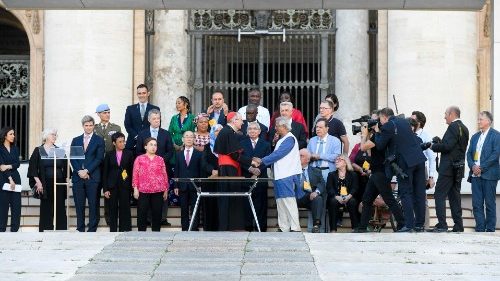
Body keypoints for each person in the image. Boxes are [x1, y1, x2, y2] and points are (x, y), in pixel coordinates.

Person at [375, 107, 426, 232]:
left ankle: (409, 225)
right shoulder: (404, 121)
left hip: (406, 163)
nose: (379, 122)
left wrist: (377, 132)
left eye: (380, 119)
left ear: (384, 117)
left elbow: (380, 146)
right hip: (419, 159)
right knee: (419, 193)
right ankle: (419, 224)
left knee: (405, 192)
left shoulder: (388, 126)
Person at [355, 125, 405, 233]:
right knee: (367, 199)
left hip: (381, 173)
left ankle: (402, 224)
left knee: (389, 200)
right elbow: (369, 153)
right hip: (376, 172)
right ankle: (362, 227)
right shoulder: (378, 137)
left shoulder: (380, 137)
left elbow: (362, 148)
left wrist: (364, 135)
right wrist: (367, 136)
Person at [256, 117, 302, 232]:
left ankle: (295, 227)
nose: (275, 128)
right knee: (280, 202)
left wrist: (262, 160)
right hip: (280, 174)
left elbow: (278, 154)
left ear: (284, 126)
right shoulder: (283, 139)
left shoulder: (290, 138)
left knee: (288, 200)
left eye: (277, 126)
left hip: (287, 174)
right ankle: (284, 226)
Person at [428, 106, 469, 233]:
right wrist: (442, 143)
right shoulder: (464, 128)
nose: (444, 116)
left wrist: (433, 146)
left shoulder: (453, 127)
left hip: (448, 169)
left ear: (452, 114)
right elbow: (455, 147)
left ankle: (442, 224)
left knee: (439, 194)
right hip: (458, 168)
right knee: (454, 197)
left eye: (445, 114)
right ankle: (458, 225)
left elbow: (447, 147)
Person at [214, 112, 255, 231]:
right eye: (240, 120)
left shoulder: (228, 132)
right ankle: (230, 226)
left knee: (229, 197)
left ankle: (229, 226)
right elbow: (235, 155)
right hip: (228, 169)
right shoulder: (228, 132)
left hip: (228, 167)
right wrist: (251, 162)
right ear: (233, 120)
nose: (243, 122)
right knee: (230, 197)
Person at [136, 109, 174, 226]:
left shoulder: (166, 133)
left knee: (162, 195)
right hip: (145, 172)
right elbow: (138, 151)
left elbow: (170, 151)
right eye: (154, 118)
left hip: (161, 169)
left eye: (158, 118)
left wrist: (159, 162)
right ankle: (147, 219)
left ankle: (162, 218)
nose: (157, 121)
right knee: (146, 196)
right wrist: (148, 162)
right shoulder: (142, 134)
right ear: (149, 120)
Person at [27, 128, 68, 231]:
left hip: (59, 182)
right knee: (46, 207)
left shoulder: (59, 150)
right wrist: (38, 182)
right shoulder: (39, 150)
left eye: (55, 135)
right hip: (45, 183)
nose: (55, 136)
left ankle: (60, 229)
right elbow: (32, 167)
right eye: (53, 134)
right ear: (46, 136)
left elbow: (66, 166)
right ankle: (45, 229)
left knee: (60, 207)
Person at [70, 116, 105, 232]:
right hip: (78, 177)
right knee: (79, 204)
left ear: (94, 126)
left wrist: (87, 171)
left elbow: (99, 158)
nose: (89, 127)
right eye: (86, 125)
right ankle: (80, 228)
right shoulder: (76, 140)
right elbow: (73, 158)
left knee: (93, 204)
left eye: (91, 125)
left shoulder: (99, 140)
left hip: (93, 177)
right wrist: (79, 171)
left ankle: (92, 228)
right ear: (83, 126)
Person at [466, 111, 499, 232]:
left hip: (489, 174)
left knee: (489, 203)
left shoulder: (496, 135)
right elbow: (469, 154)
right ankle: (480, 228)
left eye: (481, 119)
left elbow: (495, 155)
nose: (478, 121)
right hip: (475, 175)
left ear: (489, 121)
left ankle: (490, 229)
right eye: (478, 119)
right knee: (477, 203)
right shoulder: (475, 137)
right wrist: (473, 166)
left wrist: (481, 167)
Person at [240, 121, 271, 232]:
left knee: (261, 205)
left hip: (260, 178)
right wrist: (250, 169)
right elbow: (240, 160)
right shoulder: (242, 143)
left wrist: (257, 171)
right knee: (247, 205)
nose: (252, 131)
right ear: (247, 132)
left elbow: (267, 161)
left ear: (259, 131)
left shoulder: (266, 144)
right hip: (246, 178)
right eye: (250, 129)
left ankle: (261, 229)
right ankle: (248, 227)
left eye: (254, 129)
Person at [132, 137, 169, 231]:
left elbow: (164, 174)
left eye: (155, 145)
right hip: (143, 190)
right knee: (142, 213)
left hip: (158, 190)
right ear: (145, 146)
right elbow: (135, 174)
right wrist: (135, 188)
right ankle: (141, 233)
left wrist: (166, 189)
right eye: (151, 145)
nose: (153, 147)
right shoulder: (139, 159)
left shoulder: (160, 159)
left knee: (157, 213)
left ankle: (156, 233)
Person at [95, 103, 122, 226]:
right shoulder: (94, 128)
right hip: (97, 163)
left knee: (109, 190)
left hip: (111, 163)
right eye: (104, 113)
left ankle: (109, 217)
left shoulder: (116, 128)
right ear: (99, 114)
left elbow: (118, 144)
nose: (107, 115)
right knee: (95, 190)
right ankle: (95, 217)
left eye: (108, 112)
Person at [102, 132, 133, 232]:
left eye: (124, 141)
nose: (122, 143)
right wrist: (105, 189)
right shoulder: (109, 154)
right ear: (114, 143)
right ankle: (113, 230)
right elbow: (105, 172)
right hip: (112, 186)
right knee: (112, 209)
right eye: (120, 142)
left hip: (125, 185)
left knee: (125, 208)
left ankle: (126, 230)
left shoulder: (129, 153)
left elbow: (132, 171)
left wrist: (132, 187)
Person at [174, 131, 202, 231]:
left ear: (194, 139)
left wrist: (199, 185)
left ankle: (194, 227)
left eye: (191, 137)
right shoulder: (178, 154)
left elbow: (201, 171)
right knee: (184, 208)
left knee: (195, 207)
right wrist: (176, 185)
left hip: (195, 186)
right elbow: (176, 170)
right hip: (182, 185)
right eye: (187, 137)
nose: (189, 139)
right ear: (183, 139)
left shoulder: (199, 154)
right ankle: (185, 228)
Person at [326, 154, 359, 232]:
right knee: (333, 201)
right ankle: (333, 229)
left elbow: (355, 188)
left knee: (352, 201)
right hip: (336, 197)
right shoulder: (331, 174)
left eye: (339, 159)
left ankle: (355, 228)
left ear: (345, 162)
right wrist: (337, 197)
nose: (336, 161)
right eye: (336, 160)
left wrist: (348, 197)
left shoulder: (353, 174)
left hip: (348, 197)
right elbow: (329, 188)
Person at [296, 149, 326, 233]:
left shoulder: (316, 171)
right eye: (298, 155)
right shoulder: (292, 170)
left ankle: (316, 225)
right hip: (296, 196)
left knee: (318, 198)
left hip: (309, 196)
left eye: (301, 156)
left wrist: (316, 192)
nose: (298, 157)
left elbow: (322, 183)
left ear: (308, 159)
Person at [124, 84, 160, 151]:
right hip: (133, 143)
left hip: (150, 143)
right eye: (139, 93)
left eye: (144, 93)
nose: (141, 95)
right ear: (137, 94)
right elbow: (127, 125)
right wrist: (137, 136)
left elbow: (157, 124)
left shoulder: (155, 108)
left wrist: (147, 138)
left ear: (148, 93)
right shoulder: (130, 109)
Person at [200, 124, 223, 231]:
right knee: (209, 204)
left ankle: (221, 227)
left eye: (220, 130)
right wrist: (212, 170)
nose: (218, 132)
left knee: (221, 203)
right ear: (212, 132)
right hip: (210, 179)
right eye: (216, 130)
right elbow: (203, 163)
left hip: (223, 179)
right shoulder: (207, 146)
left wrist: (221, 171)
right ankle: (208, 227)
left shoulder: (226, 146)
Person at [0, 127, 21, 232]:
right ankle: (1, 229)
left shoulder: (15, 148)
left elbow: (17, 164)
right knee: (3, 206)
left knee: (16, 205)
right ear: (5, 136)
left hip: (16, 179)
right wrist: (10, 179)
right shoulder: (0, 149)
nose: (13, 136)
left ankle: (15, 229)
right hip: (3, 179)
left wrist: (8, 166)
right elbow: (1, 166)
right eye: (11, 134)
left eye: (14, 134)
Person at [307, 118, 342, 182]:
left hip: (328, 171)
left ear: (327, 128)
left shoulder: (335, 140)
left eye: (320, 127)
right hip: (312, 171)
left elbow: (337, 157)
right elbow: (307, 155)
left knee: (327, 191)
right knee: (313, 191)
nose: (317, 129)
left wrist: (320, 156)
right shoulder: (312, 140)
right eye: (317, 127)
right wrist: (311, 157)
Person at [411, 111, 437, 189]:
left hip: (421, 171)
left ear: (418, 123)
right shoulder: (408, 134)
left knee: (420, 196)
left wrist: (431, 177)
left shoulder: (426, 136)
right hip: (409, 169)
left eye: (412, 120)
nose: (409, 122)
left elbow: (432, 158)